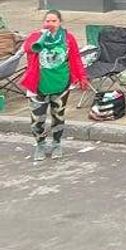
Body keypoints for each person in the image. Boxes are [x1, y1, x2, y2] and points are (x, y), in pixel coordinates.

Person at [20, 9, 88, 161]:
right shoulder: (35, 36)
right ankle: (40, 144)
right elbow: (27, 48)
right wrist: (42, 38)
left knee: (58, 116)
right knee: (37, 119)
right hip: (38, 85)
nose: (50, 23)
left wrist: (81, 77)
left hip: (61, 84)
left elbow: (75, 57)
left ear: (60, 22)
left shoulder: (68, 38)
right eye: (47, 21)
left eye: (53, 21)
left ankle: (57, 143)